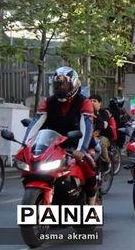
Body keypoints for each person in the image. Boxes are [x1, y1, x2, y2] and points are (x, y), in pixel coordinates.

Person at [22, 67, 98, 205]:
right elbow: (36, 122)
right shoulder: (48, 101)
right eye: (57, 85)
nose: (60, 87)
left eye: (64, 84)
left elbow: (86, 126)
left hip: (77, 143)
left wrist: (81, 150)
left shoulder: (84, 102)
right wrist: (25, 145)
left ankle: (92, 200)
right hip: (52, 143)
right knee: (30, 167)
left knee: (88, 164)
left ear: (73, 84)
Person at [89, 94, 113, 173]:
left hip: (104, 135)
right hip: (90, 136)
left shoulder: (104, 113)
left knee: (101, 142)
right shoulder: (87, 112)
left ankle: (106, 162)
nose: (92, 102)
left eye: (94, 101)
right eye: (90, 101)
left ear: (100, 103)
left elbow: (104, 125)